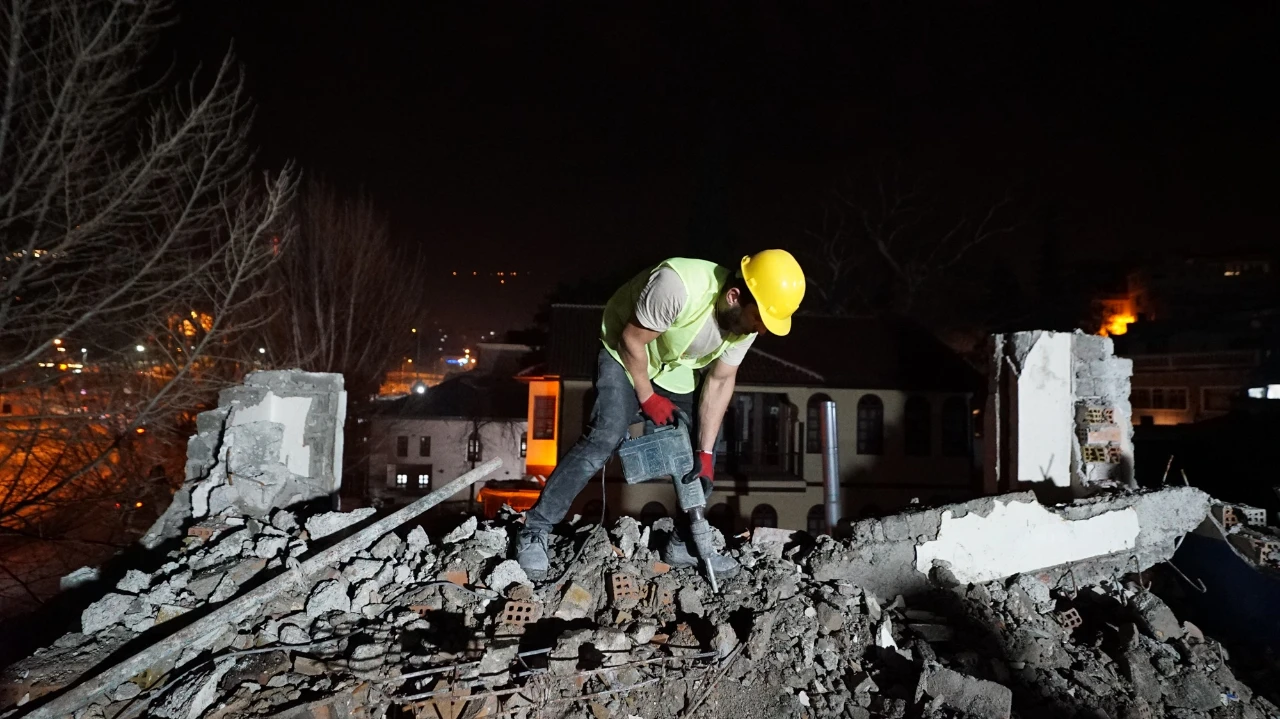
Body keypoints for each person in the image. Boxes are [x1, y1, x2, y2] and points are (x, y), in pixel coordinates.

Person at [515, 250, 806, 579]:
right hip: (625, 354)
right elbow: (631, 339)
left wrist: (706, 452)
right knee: (604, 436)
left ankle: (682, 542)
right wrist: (646, 395)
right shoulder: (677, 285)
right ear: (735, 296)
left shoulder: (748, 322)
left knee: (698, 455)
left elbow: (720, 379)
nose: (761, 330)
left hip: (674, 369)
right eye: (759, 320)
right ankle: (534, 530)